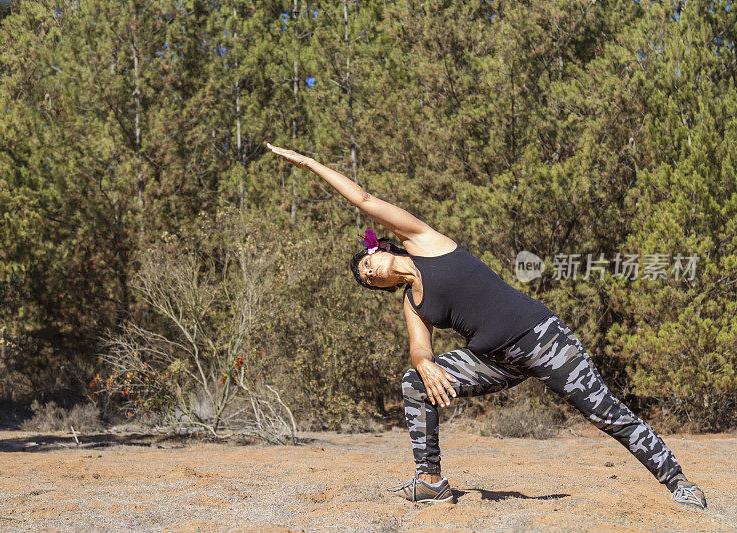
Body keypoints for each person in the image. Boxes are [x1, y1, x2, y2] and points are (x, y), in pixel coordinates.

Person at [265, 142, 707, 510]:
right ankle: (431, 481)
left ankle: (677, 481)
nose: (369, 270)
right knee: (414, 382)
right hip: (495, 361)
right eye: (364, 276)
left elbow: (364, 200)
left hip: (542, 338)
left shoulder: (424, 242)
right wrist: (424, 364)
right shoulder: (412, 304)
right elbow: (420, 349)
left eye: (367, 261)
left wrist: (307, 163)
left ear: (378, 248)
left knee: (605, 414)